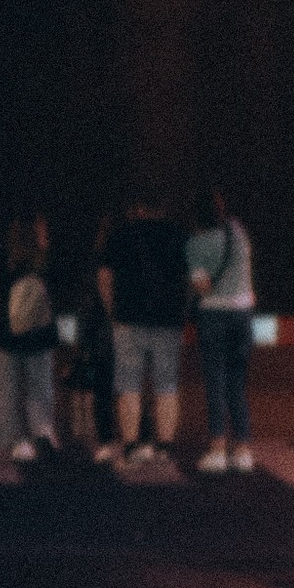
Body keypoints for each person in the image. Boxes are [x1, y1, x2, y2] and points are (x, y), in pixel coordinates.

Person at [98, 188, 191, 466]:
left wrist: (112, 311)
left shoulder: (121, 235)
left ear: (138, 207)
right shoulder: (179, 236)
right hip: (168, 320)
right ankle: (164, 446)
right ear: (163, 208)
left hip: (127, 318)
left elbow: (104, 277)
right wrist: (182, 312)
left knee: (129, 385)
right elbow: (188, 279)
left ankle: (130, 446)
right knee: (166, 386)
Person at [187, 187, 257, 472]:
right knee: (237, 382)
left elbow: (201, 286)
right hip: (243, 314)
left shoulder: (195, 245)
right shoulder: (238, 233)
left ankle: (217, 448)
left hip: (214, 315)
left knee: (215, 381)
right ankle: (243, 450)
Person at [0, 215, 59, 463]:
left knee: (8, 389)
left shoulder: (6, 262)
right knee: (40, 387)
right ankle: (41, 432)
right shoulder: (45, 264)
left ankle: (13, 439)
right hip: (40, 334)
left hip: (8, 333)